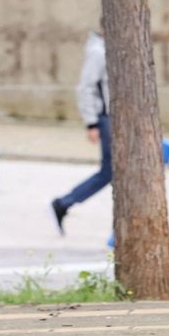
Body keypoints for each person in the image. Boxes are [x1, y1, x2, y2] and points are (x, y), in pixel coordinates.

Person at [50, 31, 109, 233]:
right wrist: (91, 123)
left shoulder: (112, 49)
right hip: (106, 118)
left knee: (114, 170)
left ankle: (65, 202)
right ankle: (64, 202)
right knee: (110, 170)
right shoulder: (98, 52)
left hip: (115, 118)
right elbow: (86, 87)